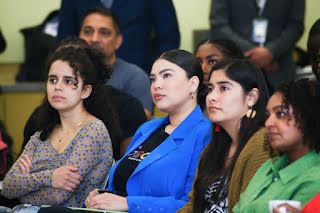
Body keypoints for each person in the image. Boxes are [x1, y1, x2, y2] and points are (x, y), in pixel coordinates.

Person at [80, 49, 212, 212]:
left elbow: (193, 204)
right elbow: (125, 183)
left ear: (193, 84)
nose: (156, 85)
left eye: (167, 76)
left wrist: (128, 203)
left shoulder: (205, 133)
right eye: (153, 79)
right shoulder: (147, 128)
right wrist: (102, 196)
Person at [1, 39, 115, 207]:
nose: (57, 87)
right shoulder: (42, 134)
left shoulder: (93, 131)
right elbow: (8, 187)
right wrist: (50, 177)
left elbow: (57, 197)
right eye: (53, 80)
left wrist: (25, 183)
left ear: (85, 91)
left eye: (68, 81)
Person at [178, 59, 270, 212]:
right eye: (210, 89)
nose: (211, 97)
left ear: (251, 97)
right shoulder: (213, 148)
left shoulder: (262, 143)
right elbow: (192, 206)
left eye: (224, 88)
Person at [233, 79, 320, 212]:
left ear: (308, 117)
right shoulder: (268, 167)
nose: (268, 123)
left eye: (280, 114)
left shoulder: (315, 179)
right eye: (268, 115)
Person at [57, 0, 180, 72]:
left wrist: (156, 73)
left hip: (138, 76)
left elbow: (168, 38)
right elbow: (65, 40)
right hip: (84, 76)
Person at [210, 0, 305, 91]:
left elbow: (295, 26)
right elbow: (219, 25)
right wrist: (254, 53)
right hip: (235, 70)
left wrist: (271, 52)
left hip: (279, 70)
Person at [79, 7, 153, 118]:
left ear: (118, 41)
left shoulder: (135, 77)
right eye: (88, 31)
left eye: (104, 33)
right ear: (79, 36)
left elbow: (138, 125)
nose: (94, 39)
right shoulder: (67, 72)